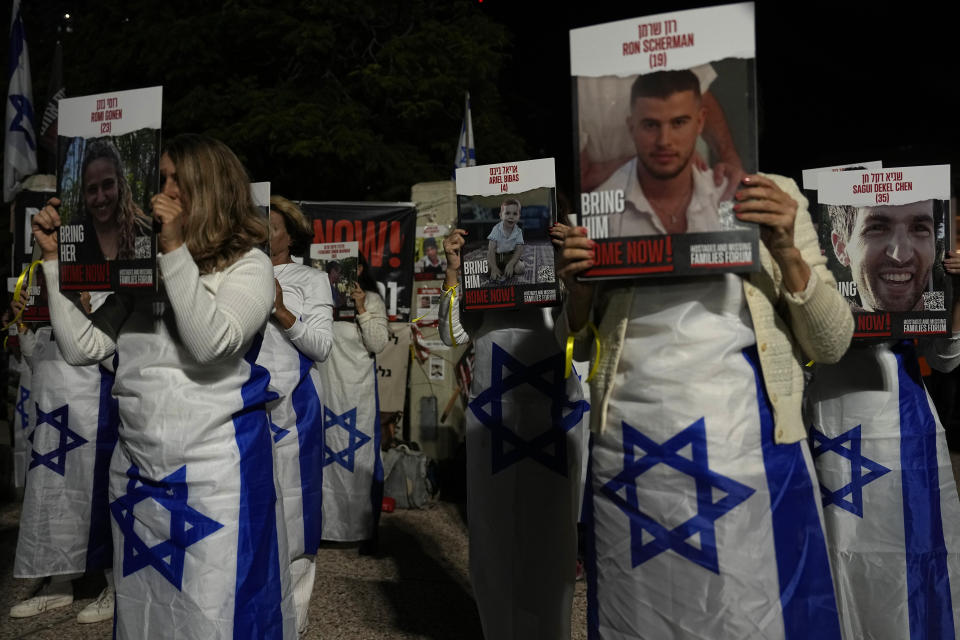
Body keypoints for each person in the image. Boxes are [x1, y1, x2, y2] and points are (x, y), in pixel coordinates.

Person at [560, 157, 854, 634]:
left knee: (753, 618)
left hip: (750, 457)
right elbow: (578, 347)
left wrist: (785, 249)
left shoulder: (770, 194)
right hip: (631, 463)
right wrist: (575, 293)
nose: (665, 139)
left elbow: (832, 343)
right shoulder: (606, 202)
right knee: (640, 620)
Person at [31, 133, 295, 638]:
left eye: (179, 180)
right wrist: (52, 263)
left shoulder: (250, 265)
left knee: (214, 616)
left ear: (211, 188)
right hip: (136, 470)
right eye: (161, 179)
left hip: (215, 475)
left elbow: (211, 345)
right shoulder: (144, 265)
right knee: (145, 615)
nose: (164, 191)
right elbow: (82, 347)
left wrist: (172, 249)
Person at [440, 223, 588, 640]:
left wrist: (569, 274)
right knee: (494, 532)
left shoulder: (558, 262)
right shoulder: (478, 265)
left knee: (552, 533)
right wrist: (454, 271)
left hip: (552, 414)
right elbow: (451, 334)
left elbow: (577, 333)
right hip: (495, 417)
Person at [803, 252, 960, 639]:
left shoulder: (922, 280)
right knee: (830, 550)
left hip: (901, 426)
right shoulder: (807, 254)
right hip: (824, 418)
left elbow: (947, 359)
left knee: (904, 556)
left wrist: (958, 287)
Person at [9, 292, 119, 625]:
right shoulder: (52, 290)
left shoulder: (112, 294)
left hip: (92, 415)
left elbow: (118, 358)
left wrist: (84, 319)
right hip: (52, 420)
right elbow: (37, 361)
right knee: (51, 498)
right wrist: (26, 328)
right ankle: (58, 580)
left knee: (98, 496)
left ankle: (115, 586)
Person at [256, 195, 334, 635]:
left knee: (295, 512)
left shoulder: (310, 278)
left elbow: (322, 347)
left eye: (273, 226)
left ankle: (293, 619)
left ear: (291, 235)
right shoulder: (236, 274)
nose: (264, 232)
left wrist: (280, 308)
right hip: (245, 408)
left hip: (293, 411)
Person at [593, 70, 738, 237]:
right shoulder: (601, 212)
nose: (664, 141)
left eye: (678, 123)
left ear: (700, 122)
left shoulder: (726, 198)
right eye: (651, 125)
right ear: (631, 127)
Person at [317, 253, 389, 549]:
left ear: (359, 269)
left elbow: (377, 343)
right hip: (324, 387)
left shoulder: (371, 298)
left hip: (356, 390)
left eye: (349, 266)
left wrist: (361, 308)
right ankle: (323, 528)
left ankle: (359, 530)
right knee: (323, 462)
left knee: (357, 459)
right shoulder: (318, 297)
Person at [827, 200, 937, 311]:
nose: (901, 256)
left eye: (919, 228)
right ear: (841, 248)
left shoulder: (944, 308)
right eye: (877, 228)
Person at [74, 138, 151, 262]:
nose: (100, 198)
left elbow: (144, 273)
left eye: (107, 185)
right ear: (84, 193)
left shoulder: (142, 232)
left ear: (119, 184)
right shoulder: (74, 234)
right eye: (92, 189)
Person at [486, 198, 525, 282]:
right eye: (507, 213)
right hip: (496, 256)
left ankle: (507, 269)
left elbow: (519, 249)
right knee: (486, 268)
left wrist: (511, 264)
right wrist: (493, 267)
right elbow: (491, 250)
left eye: (515, 214)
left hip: (510, 257)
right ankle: (498, 270)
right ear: (501, 215)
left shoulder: (518, 231)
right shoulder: (496, 229)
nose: (511, 217)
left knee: (520, 268)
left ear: (519, 216)